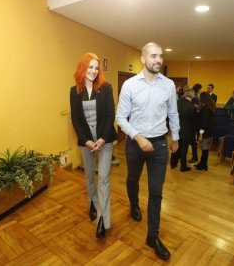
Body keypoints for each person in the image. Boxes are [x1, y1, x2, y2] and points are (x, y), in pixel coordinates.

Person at [116, 42, 179, 260]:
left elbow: (173, 114)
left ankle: (152, 236)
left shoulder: (169, 85)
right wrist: (138, 137)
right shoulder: (130, 85)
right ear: (143, 59)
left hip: (160, 145)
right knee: (132, 179)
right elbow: (120, 118)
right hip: (135, 143)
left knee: (156, 192)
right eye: (153, 56)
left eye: (161, 56)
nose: (158, 60)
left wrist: (176, 137)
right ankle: (134, 204)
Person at [70, 52, 117, 239]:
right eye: (90, 67)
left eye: (96, 68)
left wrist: (102, 139)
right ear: (83, 67)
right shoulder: (74, 91)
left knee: (103, 178)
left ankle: (103, 221)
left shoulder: (106, 88)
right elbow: (75, 119)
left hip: (104, 140)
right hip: (86, 141)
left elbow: (110, 116)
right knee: (89, 176)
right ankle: (93, 203)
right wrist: (88, 141)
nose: (93, 71)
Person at [170, 89, 197, 172]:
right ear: (192, 96)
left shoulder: (178, 103)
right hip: (186, 131)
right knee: (184, 149)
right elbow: (193, 122)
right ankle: (183, 167)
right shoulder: (192, 107)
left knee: (176, 146)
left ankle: (173, 163)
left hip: (176, 129)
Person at [194, 92, 216, 171]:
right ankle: (202, 163)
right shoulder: (209, 107)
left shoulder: (205, 109)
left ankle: (203, 165)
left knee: (204, 147)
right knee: (204, 147)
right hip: (208, 131)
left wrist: (200, 134)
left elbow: (203, 123)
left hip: (204, 131)